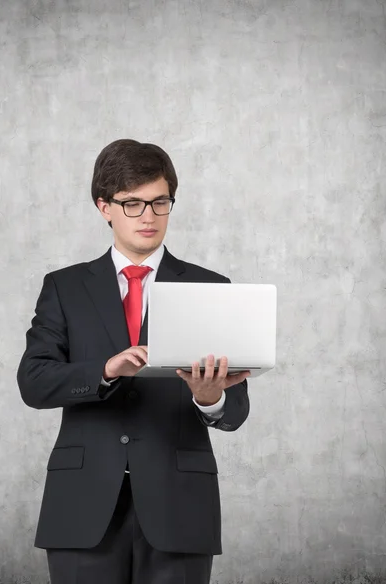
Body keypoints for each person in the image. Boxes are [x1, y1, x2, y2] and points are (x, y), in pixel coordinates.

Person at [16, 138, 251, 584]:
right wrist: (104, 370)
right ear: (104, 206)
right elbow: (33, 381)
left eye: (160, 202)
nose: (148, 216)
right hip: (81, 506)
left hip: (179, 506)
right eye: (132, 204)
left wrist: (210, 398)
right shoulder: (64, 288)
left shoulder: (211, 288)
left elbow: (236, 412)